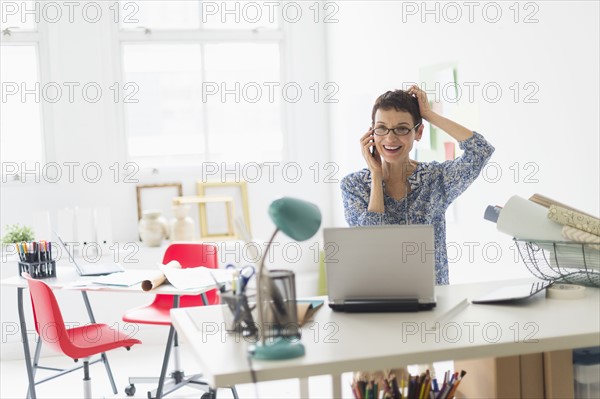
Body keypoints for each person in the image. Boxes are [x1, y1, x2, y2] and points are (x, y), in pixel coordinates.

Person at [341, 85, 495, 285]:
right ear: (371, 132)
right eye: (381, 128)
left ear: (418, 132)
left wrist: (429, 115)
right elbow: (371, 241)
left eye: (402, 128)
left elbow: (480, 151)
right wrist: (376, 175)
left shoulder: (435, 179)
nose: (390, 137)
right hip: (379, 300)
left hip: (433, 303)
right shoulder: (353, 186)